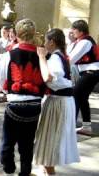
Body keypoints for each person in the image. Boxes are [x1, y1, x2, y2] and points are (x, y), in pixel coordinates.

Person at [0, 19, 46, 176]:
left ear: (16, 35)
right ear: (33, 34)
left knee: (8, 140)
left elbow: (1, 78)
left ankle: (8, 166)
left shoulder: (9, 55)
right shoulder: (43, 55)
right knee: (27, 143)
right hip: (34, 104)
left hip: (15, 103)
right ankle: (25, 172)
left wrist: (6, 92)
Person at [34, 28, 80, 175]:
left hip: (58, 102)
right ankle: (45, 172)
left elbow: (48, 77)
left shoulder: (55, 58)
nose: (45, 44)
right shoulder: (62, 56)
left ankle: (50, 173)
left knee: (50, 142)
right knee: (49, 141)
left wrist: (41, 57)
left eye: (46, 41)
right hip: (62, 101)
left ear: (52, 42)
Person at [68, 20, 99, 136]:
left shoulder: (85, 42)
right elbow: (69, 54)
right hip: (89, 72)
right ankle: (86, 127)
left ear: (81, 31)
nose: (72, 31)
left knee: (75, 94)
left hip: (92, 72)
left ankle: (70, 125)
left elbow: (71, 58)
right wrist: (71, 41)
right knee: (82, 98)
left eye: (74, 29)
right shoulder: (79, 41)